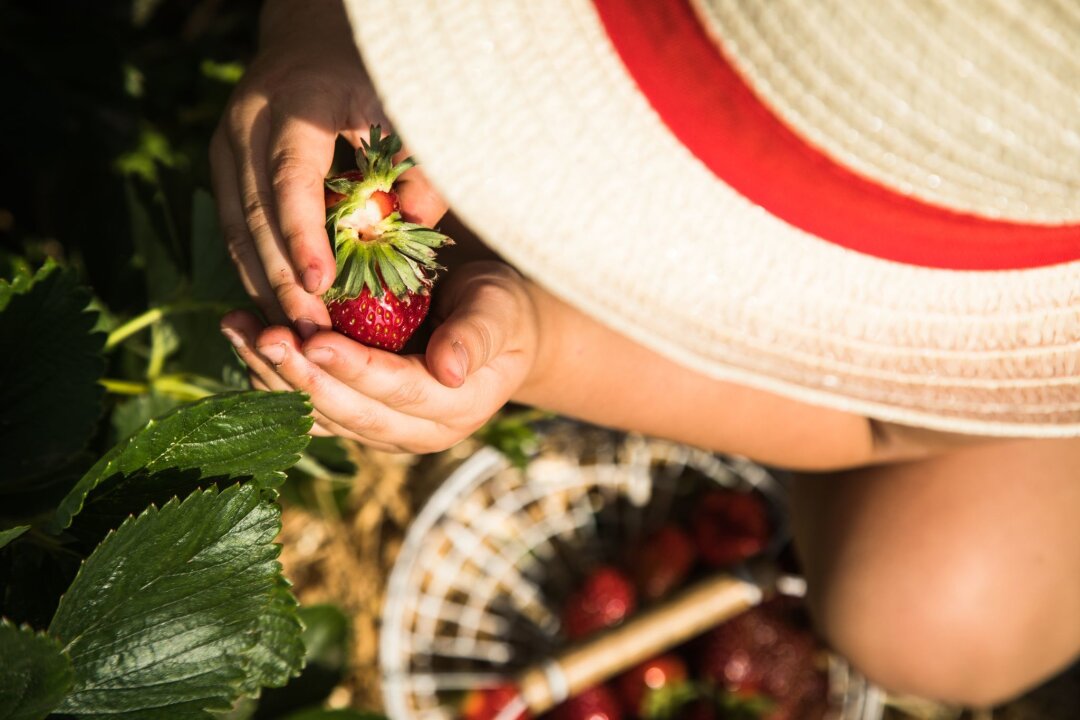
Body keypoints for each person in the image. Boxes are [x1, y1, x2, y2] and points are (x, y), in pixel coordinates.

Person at [212, 0, 1080, 709]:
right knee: (435, 189)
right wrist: (327, 27)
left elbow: (891, 422)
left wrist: (542, 344)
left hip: (1019, 244)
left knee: (938, 611)